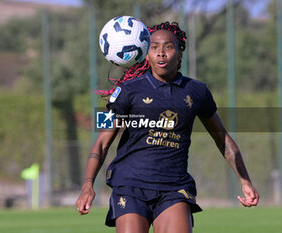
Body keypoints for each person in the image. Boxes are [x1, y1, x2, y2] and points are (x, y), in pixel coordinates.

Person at [76, 21, 259, 233]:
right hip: (130, 185)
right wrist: (87, 184)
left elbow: (223, 140)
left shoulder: (197, 91)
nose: (161, 53)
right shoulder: (126, 91)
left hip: (174, 187)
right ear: (146, 54)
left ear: (180, 54)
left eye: (168, 47)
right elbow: (101, 143)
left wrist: (245, 181)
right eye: (154, 47)